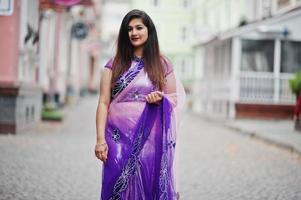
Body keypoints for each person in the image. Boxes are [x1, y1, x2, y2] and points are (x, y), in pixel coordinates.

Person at [95, 9, 185, 200]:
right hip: (116, 138)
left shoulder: (162, 64)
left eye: (139, 28)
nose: (134, 33)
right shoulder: (114, 65)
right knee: (117, 186)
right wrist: (100, 140)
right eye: (129, 29)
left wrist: (161, 98)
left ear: (149, 30)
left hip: (150, 138)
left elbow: (174, 98)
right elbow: (103, 102)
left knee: (148, 183)